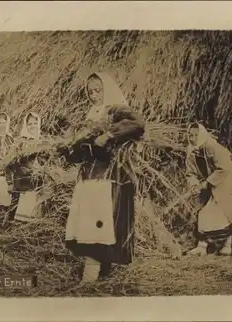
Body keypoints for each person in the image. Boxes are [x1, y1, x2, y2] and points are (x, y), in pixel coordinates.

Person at [63, 72, 145, 283]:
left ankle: (91, 275)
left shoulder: (115, 109)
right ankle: (100, 272)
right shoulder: (90, 114)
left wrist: (109, 134)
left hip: (106, 176)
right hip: (89, 175)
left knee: (97, 222)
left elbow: (138, 121)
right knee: (90, 222)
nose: (94, 95)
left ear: (106, 90)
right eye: (90, 91)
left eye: (98, 90)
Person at [185, 122, 232, 256]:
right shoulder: (191, 151)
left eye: (195, 135)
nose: (191, 138)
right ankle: (202, 246)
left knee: (224, 213)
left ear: (201, 135)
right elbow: (190, 173)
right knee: (204, 212)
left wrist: (207, 182)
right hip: (212, 186)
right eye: (190, 135)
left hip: (229, 182)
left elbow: (225, 168)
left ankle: (226, 245)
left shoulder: (212, 147)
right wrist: (193, 184)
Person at [6, 112, 44, 223]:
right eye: (30, 124)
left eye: (35, 123)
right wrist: (9, 182)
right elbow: (9, 162)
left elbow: (46, 161)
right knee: (16, 212)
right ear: (25, 125)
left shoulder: (42, 141)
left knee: (34, 214)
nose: (32, 126)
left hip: (36, 181)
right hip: (21, 180)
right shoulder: (20, 141)